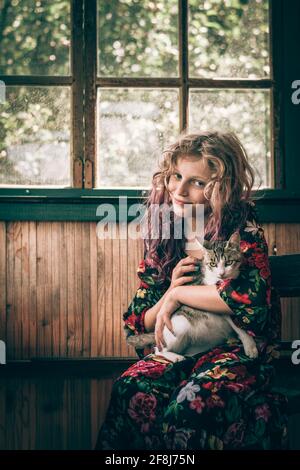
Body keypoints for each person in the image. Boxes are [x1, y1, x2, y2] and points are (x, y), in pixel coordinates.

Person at [95, 131, 288, 450]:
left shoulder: (242, 225)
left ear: (220, 187)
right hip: (181, 344)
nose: (180, 191)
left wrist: (178, 295)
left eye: (197, 182)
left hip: (235, 348)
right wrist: (170, 290)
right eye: (175, 177)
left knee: (191, 404)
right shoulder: (166, 231)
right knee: (132, 386)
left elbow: (250, 302)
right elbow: (138, 320)